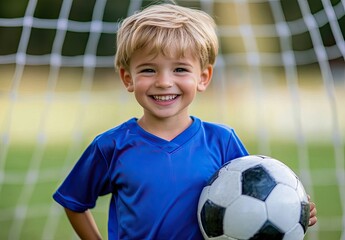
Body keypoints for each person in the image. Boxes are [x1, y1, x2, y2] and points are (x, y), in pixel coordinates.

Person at [53, 2, 317, 239]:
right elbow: (74, 201)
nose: (164, 82)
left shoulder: (222, 141)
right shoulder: (111, 146)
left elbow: (252, 196)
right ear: (127, 78)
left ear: (203, 77)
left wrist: (288, 209)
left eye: (180, 69)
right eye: (148, 69)